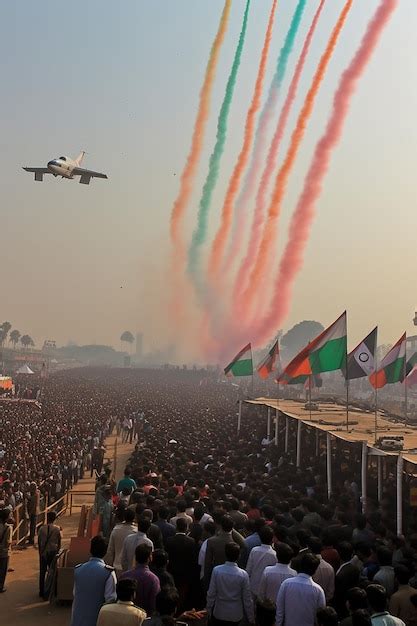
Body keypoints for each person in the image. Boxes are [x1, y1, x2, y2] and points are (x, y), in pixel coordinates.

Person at [71, 535, 117, 626]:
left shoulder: (78, 569)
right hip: (97, 620)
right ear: (105, 551)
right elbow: (110, 600)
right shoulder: (108, 573)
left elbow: (75, 593)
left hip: (78, 620)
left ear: (90, 549)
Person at [206, 542, 254, 626]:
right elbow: (247, 599)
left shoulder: (217, 570)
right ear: (239, 556)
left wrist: (208, 610)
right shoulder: (243, 575)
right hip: (235, 614)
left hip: (219, 611)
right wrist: (251, 618)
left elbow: (211, 593)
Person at [275, 552, 325, 626]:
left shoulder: (286, 584)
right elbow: (320, 616)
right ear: (315, 570)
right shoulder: (318, 590)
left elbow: (279, 610)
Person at [165, 517, 198, 610]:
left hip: (171, 572)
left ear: (176, 527)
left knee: (170, 593)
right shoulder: (191, 541)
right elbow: (193, 559)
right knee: (182, 595)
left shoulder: (169, 540)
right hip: (185, 573)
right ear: (186, 528)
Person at [120, 543, 160, 615]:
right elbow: (154, 605)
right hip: (144, 618)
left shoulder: (124, 576)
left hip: (124, 616)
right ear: (149, 558)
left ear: (135, 557)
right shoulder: (153, 579)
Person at [204, 515, 245, 583]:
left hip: (216, 574)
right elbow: (244, 544)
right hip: (234, 574)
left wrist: (206, 580)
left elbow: (207, 563)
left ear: (220, 525)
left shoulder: (212, 541)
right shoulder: (234, 541)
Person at [246, 525, 277, 597]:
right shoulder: (274, 554)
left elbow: (248, 569)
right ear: (272, 538)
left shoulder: (254, 550)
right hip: (266, 589)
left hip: (253, 585)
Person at [38, 511, 62, 599]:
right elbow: (59, 542)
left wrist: (40, 553)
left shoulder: (41, 529)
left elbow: (39, 542)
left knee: (42, 572)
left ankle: (41, 591)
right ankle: (53, 591)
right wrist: (58, 552)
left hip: (44, 552)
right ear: (54, 519)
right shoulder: (57, 529)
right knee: (53, 572)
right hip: (53, 551)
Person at [106, 508, 137, 576]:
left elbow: (110, 551)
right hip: (131, 569)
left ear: (124, 517)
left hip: (116, 567)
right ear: (134, 518)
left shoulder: (116, 530)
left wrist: (109, 567)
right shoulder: (136, 532)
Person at [307, 536, 335, 603]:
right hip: (324, 604)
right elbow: (330, 592)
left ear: (309, 549)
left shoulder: (306, 566)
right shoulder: (329, 568)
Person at [0, 508, 12, 593]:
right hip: (4, 552)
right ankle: (1, 587)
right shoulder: (8, 528)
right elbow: (8, 542)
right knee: (3, 570)